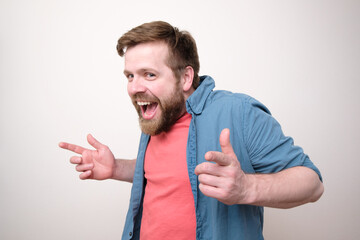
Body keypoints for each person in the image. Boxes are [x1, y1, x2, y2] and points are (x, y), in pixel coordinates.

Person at [59, 21, 324, 240]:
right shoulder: (159, 111)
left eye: (149, 74)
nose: (134, 87)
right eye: (130, 75)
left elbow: (312, 184)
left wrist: (246, 188)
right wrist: (117, 168)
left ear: (185, 78)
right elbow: (168, 174)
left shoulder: (237, 112)